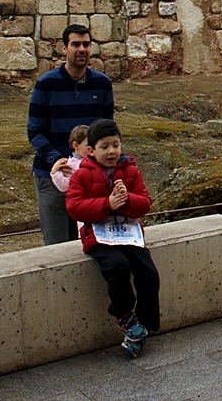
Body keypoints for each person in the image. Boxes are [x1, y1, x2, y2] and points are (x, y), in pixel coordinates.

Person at [66, 119, 160, 358]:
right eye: (105, 146)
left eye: (115, 145)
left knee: (148, 273)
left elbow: (145, 203)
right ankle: (125, 316)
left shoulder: (130, 171)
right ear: (91, 151)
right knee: (118, 266)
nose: (111, 152)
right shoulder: (80, 176)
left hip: (129, 234)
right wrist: (106, 204)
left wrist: (127, 199)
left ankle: (144, 325)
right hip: (98, 237)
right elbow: (75, 208)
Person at [28, 24, 114, 245]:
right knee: (56, 244)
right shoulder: (46, 84)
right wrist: (58, 160)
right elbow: (35, 131)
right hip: (54, 175)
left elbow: (107, 130)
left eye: (86, 44)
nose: (82, 49)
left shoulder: (102, 84)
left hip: (92, 176)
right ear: (63, 48)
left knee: (91, 239)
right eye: (75, 44)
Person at [51, 124, 90, 194]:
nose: (92, 148)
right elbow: (63, 187)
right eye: (87, 145)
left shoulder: (99, 160)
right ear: (75, 145)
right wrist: (55, 172)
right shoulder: (70, 165)